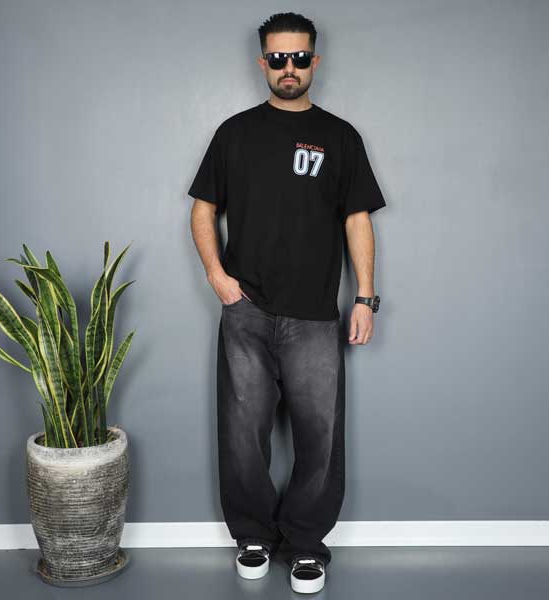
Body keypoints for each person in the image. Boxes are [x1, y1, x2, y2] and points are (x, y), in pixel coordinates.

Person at [189, 12, 385, 594]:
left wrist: (365, 297)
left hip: (316, 315)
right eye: (278, 59)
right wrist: (217, 277)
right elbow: (203, 209)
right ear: (263, 63)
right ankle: (252, 535)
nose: (289, 68)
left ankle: (305, 544)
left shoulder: (340, 136)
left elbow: (357, 219)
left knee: (319, 437)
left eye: (299, 58)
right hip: (246, 310)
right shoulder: (234, 133)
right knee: (242, 433)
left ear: (314, 61)